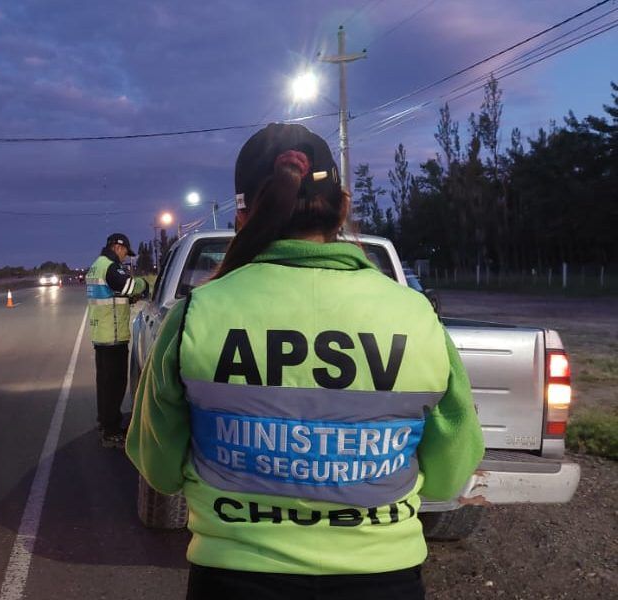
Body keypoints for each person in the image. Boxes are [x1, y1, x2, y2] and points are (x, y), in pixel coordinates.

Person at [126, 124, 484, 599]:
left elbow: (160, 469)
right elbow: (448, 475)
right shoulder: (415, 315)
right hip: (383, 579)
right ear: (343, 206)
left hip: (234, 578)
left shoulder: (198, 312)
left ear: (242, 215)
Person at [87, 233, 149, 448]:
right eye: (124, 253)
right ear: (117, 247)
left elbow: (112, 293)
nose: (124, 257)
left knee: (105, 384)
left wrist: (127, 297)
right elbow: (129, 286)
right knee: (114, 385)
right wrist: (144, 285)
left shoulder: (97, 265)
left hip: (101, 335)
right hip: (113, 337)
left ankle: (105, 423)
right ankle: (111, 433)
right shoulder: (111, 266)